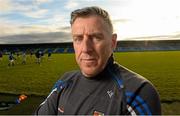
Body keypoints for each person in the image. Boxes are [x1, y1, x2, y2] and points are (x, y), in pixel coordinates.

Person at [35, 6, 161, 115]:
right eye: (78, 38)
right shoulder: (65, 82)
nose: (85, 49)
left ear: (112, 43)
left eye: (95, 38)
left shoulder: (137, 93)